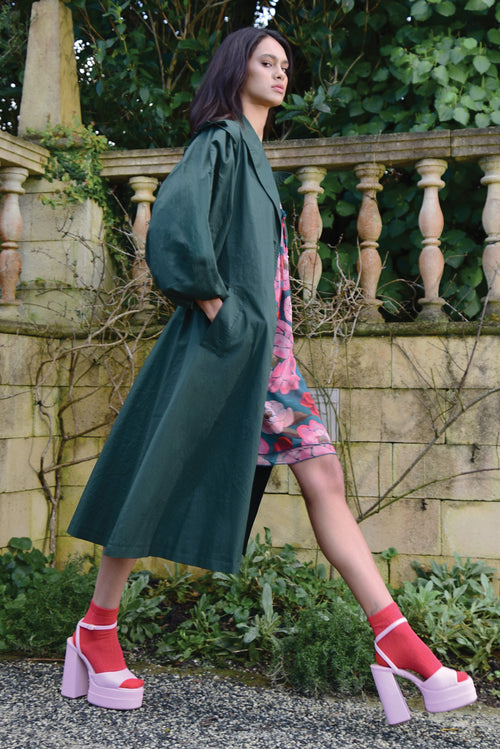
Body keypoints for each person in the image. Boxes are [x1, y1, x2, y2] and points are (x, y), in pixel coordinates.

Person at [61, 27, 476, 724]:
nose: (281, 73)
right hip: (224, 350)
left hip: (269, 360)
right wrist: (216, 305)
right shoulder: (222, 140)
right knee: (156, 478)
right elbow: (171, 230)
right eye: (267, 61)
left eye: (286, 64)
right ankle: (97, 629)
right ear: (237, 68)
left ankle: (397, 640)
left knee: (324, 478)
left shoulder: (256, 154)